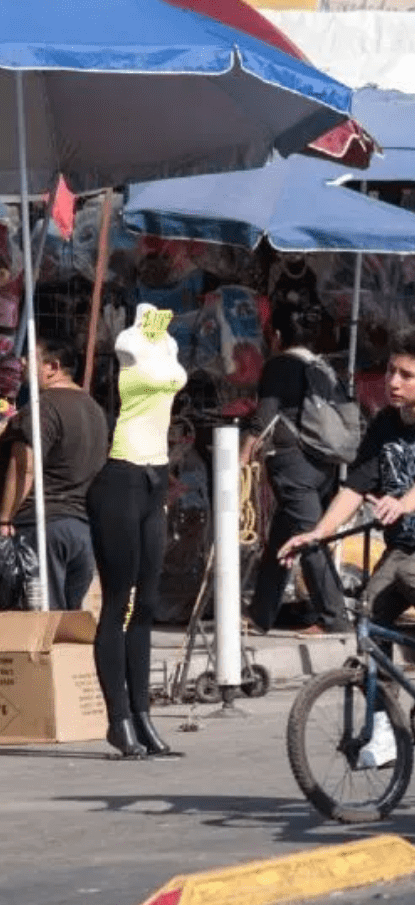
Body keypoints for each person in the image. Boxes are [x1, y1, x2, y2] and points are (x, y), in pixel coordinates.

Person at [279, 327, 415, 764]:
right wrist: (318, 533)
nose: (394, 383)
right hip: (410, 542)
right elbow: (355, 486)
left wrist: (403, 503)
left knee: (414, 573)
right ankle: (382, 729)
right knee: (369, 617)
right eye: (390, 372)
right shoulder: (383, 424)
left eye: (407, 375)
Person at [89, 304, 187, 758]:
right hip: (122, 476)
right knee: (118, 602)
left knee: (146, 604)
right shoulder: (129, 341)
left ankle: (143, 714)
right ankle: (119, 718)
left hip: (155, 476)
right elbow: (127, 345)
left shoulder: (167, 341)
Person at [242, 303, 348, 635]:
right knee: (283, 535)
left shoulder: (280, 365)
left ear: (275, 335)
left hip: (293, 463)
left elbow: (265, 416)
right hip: (323, 462)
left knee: (309, 539)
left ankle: (334, 618)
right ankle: (261, 614)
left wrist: (241, 458)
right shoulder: (322, 366)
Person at [0, 336, 108, 611]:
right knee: (62, 623)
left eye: (31, 357)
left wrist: (4, 519)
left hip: (41, 527)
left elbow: (24, 466)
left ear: (52, 367)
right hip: (81, 531)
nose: (22, 362)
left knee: (34, 623)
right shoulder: (94, 410)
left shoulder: (42, 407)